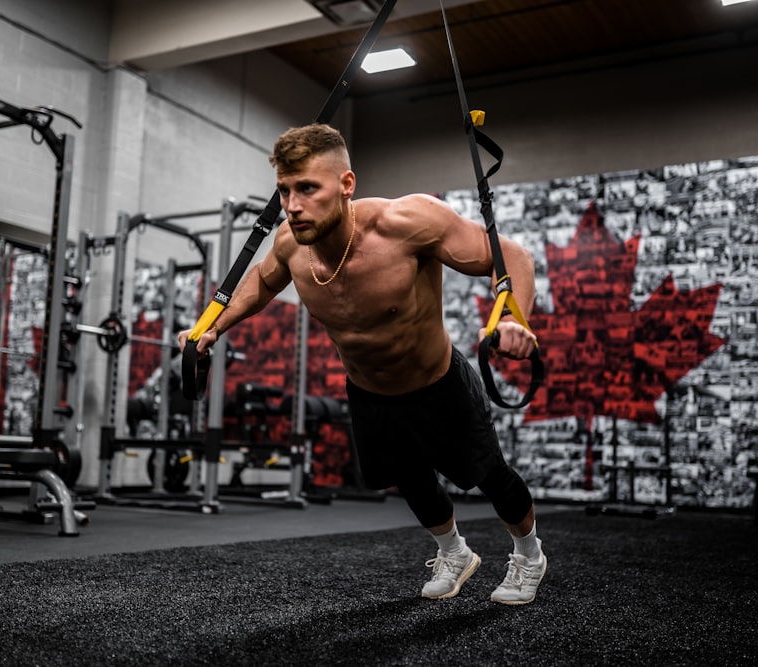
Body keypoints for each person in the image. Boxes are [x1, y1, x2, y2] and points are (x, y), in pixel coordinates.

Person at [178, 123, 546, 604]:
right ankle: (453, 552)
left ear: (346, 185)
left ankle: (529, 555)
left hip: (437, 383)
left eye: (308, 188)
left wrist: (513, 318)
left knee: (490, 476)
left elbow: (510, 256)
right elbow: (263, 282)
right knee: (411, 479)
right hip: (370, 392)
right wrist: (213, 325)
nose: (292, 205)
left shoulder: (407, 223)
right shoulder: (290, 244)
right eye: (285, 191)